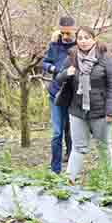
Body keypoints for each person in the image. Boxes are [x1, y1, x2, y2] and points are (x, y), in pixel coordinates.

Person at [56, 27, 112, 183]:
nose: (83, 41)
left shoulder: (106, 58)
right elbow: (58, 79)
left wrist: (110, 111)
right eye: (80, 38)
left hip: (100, 111)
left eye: (87, 38)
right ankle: (70, 181)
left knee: (103, 146)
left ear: (94, 39)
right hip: (77, 110)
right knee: (78, 147)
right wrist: (66, 73)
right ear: (76, 40)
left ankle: (109, 180)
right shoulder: (72, 58)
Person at [43, 16, 76, 174]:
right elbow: (45, 62)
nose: (65, 36)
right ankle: (55, 170)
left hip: (73, 94)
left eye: (68, 33)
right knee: (57, 133)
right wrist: (54, 69)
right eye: (63, 33)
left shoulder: (79, 45)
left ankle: (71, 166)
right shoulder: (54, 45)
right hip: (55, 93)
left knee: (71, 131)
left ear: (74, 30)